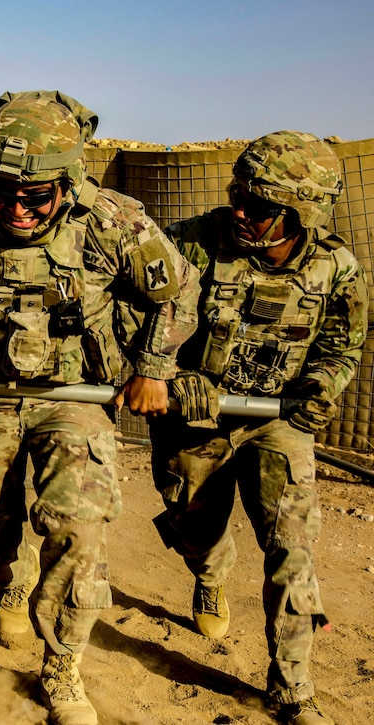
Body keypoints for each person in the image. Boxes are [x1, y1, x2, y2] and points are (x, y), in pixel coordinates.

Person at [0, 90, 200, 725]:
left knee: (78, 526)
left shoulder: (114, 222)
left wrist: (151, 369)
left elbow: (176, 295)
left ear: (66, 181)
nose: (16, 208)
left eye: (35, 197)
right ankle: (13, 576)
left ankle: (62, 666)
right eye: (5, 191)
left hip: (73, 397)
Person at [149, 131, 366, 725]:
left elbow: (343, 346)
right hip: (196, 419)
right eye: (238, 195)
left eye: (261, 206)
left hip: (278, 423)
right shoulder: (190, 245)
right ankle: (211, 572)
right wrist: (170, 375)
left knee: (293, 551)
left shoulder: (337, 268)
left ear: (302, 213)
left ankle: (292, 687)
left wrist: (321, 388)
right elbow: (137, 323)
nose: (240, 211)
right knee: (197, 529)